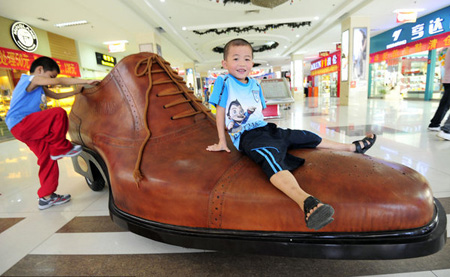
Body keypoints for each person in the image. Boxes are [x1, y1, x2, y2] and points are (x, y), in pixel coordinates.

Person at [206, 38, 376, 230]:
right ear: (225, 63)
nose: (242, 63)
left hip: (266, 129)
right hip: (247, 136)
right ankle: (307, 203)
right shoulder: (224, 82)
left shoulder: (254, 84)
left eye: (246, 59)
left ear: (252, 63)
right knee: (270, 158)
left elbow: (259, 111)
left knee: (305, 136)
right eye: (235, 58)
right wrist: (222, 141)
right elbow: (220, 112)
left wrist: (275, 133)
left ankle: (352, 147)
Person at [5, 56, 99, 210]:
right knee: (58, 113)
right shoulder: (32, 79)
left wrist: (77, 91)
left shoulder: (39, 86)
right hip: (21, 123)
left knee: (47, 158)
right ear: (40, 69)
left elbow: (56, 95)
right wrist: (85, 80)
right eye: (51, 76)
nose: (52, 80)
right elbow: (60, 82)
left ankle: (46, 197)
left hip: (25, 129)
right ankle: (60, 147)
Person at [429, 48, 450, 132]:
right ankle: (445, 128)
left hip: (447, 79)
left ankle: (435, 123)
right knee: (445, 104)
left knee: (445, 104)